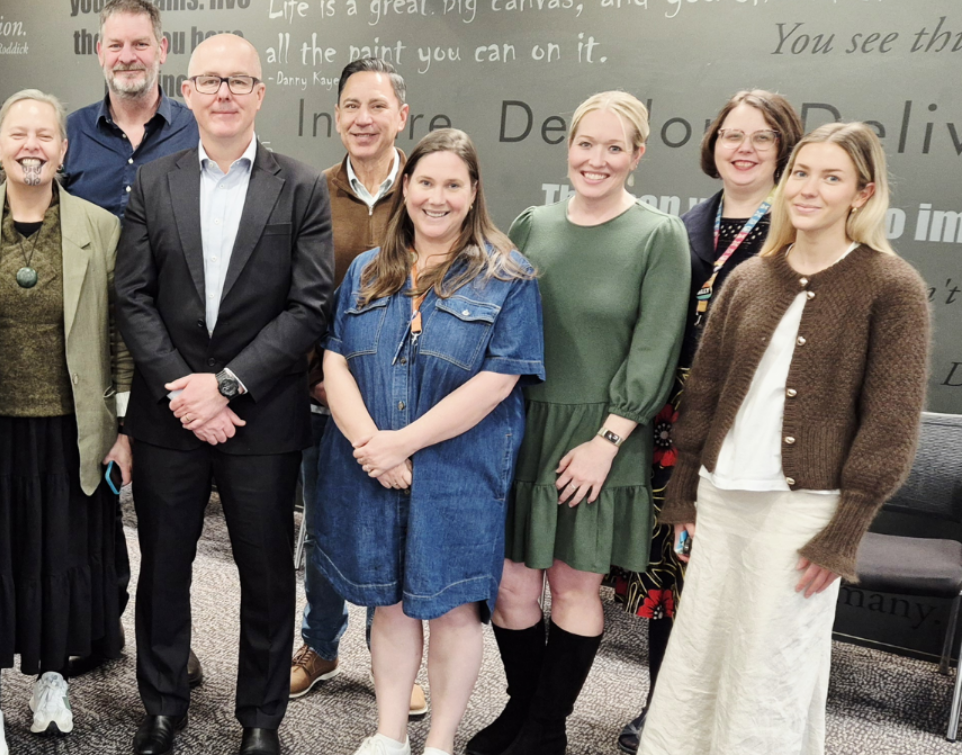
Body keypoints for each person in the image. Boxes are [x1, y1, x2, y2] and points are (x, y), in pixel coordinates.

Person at [641, 123, 931, 755]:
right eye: (801, 172)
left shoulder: (891, 286)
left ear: (863, 192)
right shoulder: (751, 277)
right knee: (700, 656)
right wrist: (686, 494)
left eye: (831, 178)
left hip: (801, 509)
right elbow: (707, 392)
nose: (809, 189)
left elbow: (891, 422)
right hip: (721, 496)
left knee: (771, 665)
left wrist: (845, 529)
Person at [115, 33, 333, 755]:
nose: (225, 93)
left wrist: (229, 386)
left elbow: (308, 306)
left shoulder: (300, 186)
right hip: (168, 413)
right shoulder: (155, 181)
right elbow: (133, 296)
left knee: (267, 575)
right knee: (165, 570)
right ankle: (162, 708)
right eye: (210, 80)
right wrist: (186, 391)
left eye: (240, 81)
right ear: (189, 92)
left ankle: (261, 719)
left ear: (261, 94)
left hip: (261, 417)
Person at [470, 92, 690, 755]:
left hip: (603, 436)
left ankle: (546, 727)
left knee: (572, 584)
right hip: (523, 428)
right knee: (510, 586)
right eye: (585, 144)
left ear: (637, 156)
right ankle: (521, 709)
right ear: (569, 146)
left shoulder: (659, 235)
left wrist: (607, 442)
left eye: (613, 147)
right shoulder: (533, 223)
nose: (596, 159)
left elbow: (656, 348)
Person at [320, 129, 544, 755]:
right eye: (425, 183)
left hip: (459, 473)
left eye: (452, 185)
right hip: (369, 466)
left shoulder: (509, 276)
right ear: (406, 188)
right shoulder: (369, 269)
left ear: (474, 194)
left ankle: (440, 741)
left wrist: (402, 445)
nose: (436, 198)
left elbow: (499, 382)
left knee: (452, 609)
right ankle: (390, 733)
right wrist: (372, 443)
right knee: (387, 605)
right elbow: (335, 360)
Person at [0, 89, 134, 752]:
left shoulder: (100, 228)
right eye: (19, 133)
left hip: (72, 432)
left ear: (63, 149)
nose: (32, 145)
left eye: (45, 134)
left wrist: (124, 431)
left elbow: (122, 338)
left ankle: (51, 678)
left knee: (60, 562)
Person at [608, 90, 803, 753]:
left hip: (751, 434)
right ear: (712, 145)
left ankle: (727, 723)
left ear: (784, 151)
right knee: (673, 579)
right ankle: (662, 708)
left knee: (734, 583)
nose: (742, 148)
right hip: (672, 430)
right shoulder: (680, 228)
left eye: (760, 138)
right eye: (731, 135)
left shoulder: (799, 234)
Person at [295, 57, 430, 719]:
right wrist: (313, 382)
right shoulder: (307, 192)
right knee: (321, 532)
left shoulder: (430, 188)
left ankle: (398, 665)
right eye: (351, 105)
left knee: (399, 537)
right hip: (325, 401)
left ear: (402, 115)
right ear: (338, 115)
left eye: (377, 105)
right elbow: (289, 298)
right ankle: (318, 647)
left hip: (408, 412)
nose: (363, 118)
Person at [63, 0, 200, 217]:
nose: (126, 57)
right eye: (115, 45)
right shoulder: (70, 133)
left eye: (140, 44)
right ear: (100, 53)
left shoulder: (196, 132)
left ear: (162, 50)